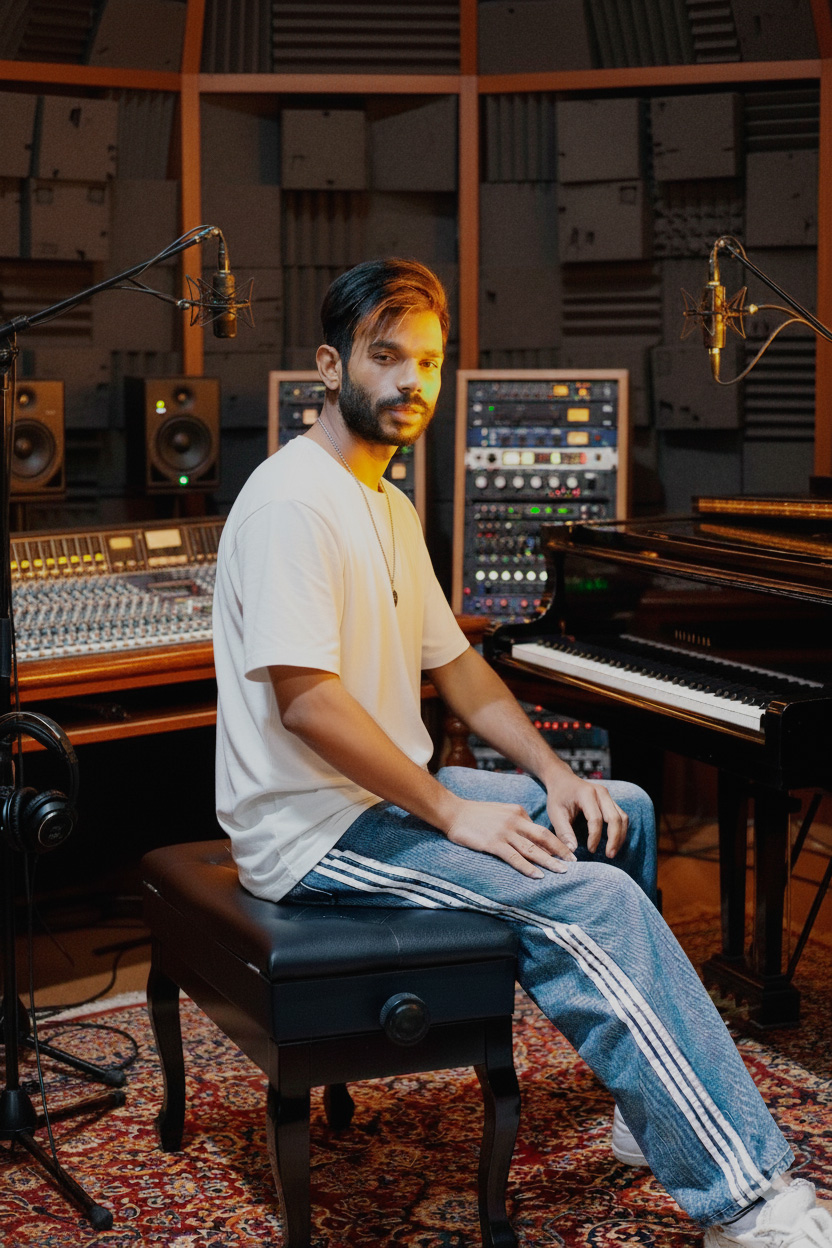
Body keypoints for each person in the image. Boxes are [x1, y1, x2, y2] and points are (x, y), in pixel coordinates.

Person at [213, 258, 830, 1247]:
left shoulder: (384, 502)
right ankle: (747, 1200)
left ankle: (652, 1111)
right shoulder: (294, 501)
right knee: (593, 899)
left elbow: (459, 668)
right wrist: (453, 811)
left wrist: (551, 772)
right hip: (313, 830)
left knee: (619, 811)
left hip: (376, 801)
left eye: (429, 362)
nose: (411, 382)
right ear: (330, 367)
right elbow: (310, 707)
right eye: (386, 356)